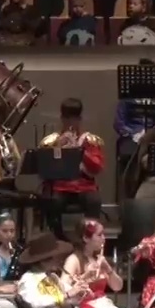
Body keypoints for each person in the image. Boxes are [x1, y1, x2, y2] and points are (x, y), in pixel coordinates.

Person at [38, 97, 104, 237]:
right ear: (62, 119)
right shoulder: (53, 140)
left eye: (74, 119)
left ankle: (90, 237)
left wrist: (80, 151)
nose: (70, 123)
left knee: (94, 200)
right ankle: (57, 237)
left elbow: (97, 167)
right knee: (52, 201)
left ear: (79, 119)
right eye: (67, 119)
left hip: (84, 185)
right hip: (61, 186)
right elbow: (44, 166)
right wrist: (58, 146)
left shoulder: (89, 140)